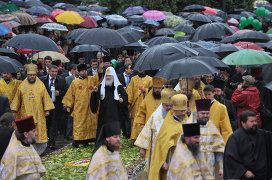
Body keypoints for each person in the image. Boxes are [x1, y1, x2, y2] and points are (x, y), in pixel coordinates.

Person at [11, 63, 55, 155]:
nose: (32, 77)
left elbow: (46, 97)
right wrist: (14, 111)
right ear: (27, 75)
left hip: (39, 114)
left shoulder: (41, 85)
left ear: (36, 75)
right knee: (27, 131)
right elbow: (17, 99)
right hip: (25, 113)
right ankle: (26, 149)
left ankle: (39, 151)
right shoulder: (22, 86)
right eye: (30, 75)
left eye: (33, 75)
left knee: (38, 132)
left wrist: (47, 109)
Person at [134, 88, 176, 174]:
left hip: (171, 151)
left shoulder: (176, 116)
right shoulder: (155, 116)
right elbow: (147, 132)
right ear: (162, 103)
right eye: (166, 105)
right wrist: (143, 148)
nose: (168, 108)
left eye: (170, 105)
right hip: (156, 151)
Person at [149, 94, 189, 180]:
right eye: (181, 111)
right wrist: (162, 162)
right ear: (174, 110)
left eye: (184, 110)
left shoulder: (187, 120)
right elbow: (160, 145)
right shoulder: (168, 124)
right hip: (172, 160)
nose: (184, 113)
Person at [224, 111, 272, 180]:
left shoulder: (263, 134)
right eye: (252, 121)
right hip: (245, 177)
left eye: (255, 121)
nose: (255, 123)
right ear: (243, 123)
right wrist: (243, 171)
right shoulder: (235, 138)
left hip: (262, 176)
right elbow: (230, 158)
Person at [63, 64, 102, 147]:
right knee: (79, 124)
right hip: (80, 108)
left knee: (91, 123)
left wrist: (101, 68)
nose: (85, 72)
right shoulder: (75, 82)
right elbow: (70, 95)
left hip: (91, 107)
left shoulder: (91, 79)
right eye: (82, 71)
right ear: (79, 72)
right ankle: (77, 140)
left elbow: (99, 77)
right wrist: (68, 105)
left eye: (85, 71)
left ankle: (88, 140)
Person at [90, 66, 129, 151]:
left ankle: (113, 145)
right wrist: (95, 93)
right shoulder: (101, 86)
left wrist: (123, 99)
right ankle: (101, 144)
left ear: (113, 76)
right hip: (104, 114)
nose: (108, 77)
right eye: (106, 76)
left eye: (109, 76)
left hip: (115, 114)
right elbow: (96, 99)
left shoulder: (118, 87)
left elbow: (125, 96)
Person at [189, 99, 225, 178]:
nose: (205, 115)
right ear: (197, 113)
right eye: (203, 113)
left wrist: (221, 168)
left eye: (207, 113)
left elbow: (218, 150)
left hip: (209, 167)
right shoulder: (190, 127)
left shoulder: (213, 128)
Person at [40, 65, 67, 150]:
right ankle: (46, 140)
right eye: (53, 71)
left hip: (56, 105)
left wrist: (60, 93)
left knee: (54, 124)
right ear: (49, 71)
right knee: (47, 123)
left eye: (56, 72)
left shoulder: (61, 80)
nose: (55, 73)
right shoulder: (42, 80)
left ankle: (52, 142)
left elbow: (66, 91)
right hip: (45, 105)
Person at [126, 70, 152, 139]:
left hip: (144, 103)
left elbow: (151, 91)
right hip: (135, 103)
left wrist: (145, 90)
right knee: (134, 119)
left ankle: (142, 138)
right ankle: (134, 137)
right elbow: (130, 91)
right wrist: (129, 102)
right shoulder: (133, 79)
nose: (141, 69)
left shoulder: (150, 79)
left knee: (142, 119)